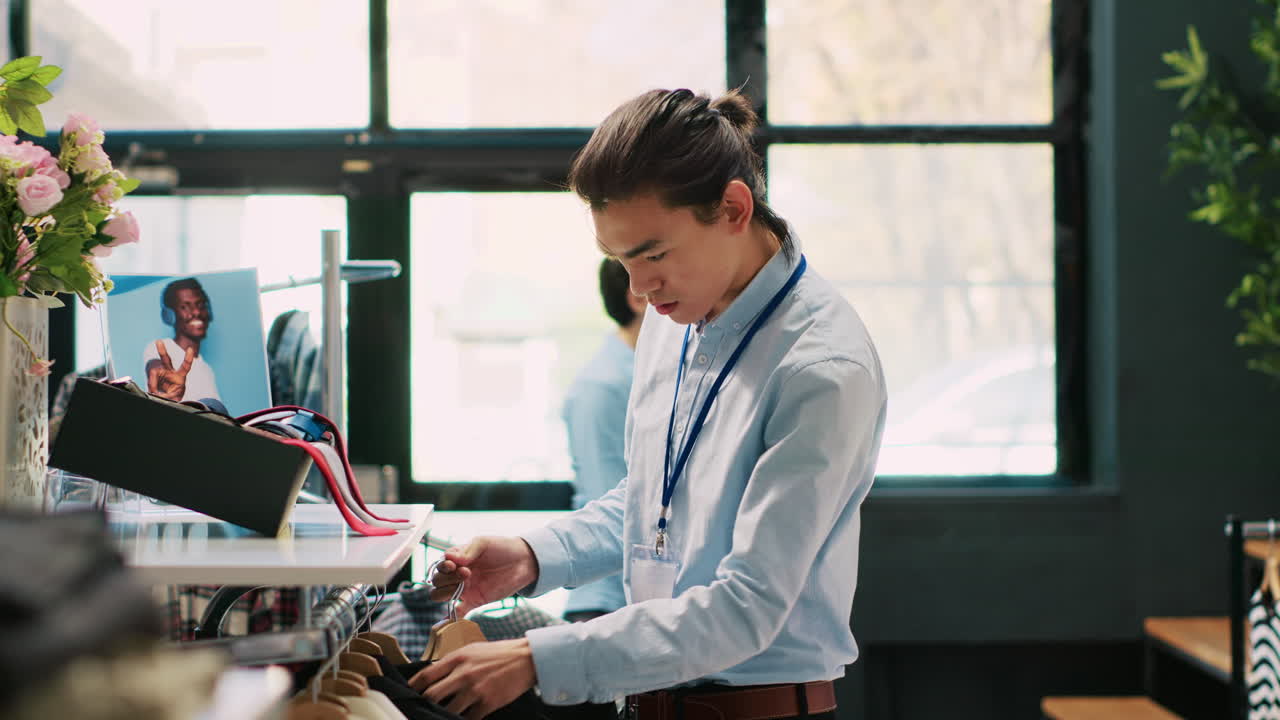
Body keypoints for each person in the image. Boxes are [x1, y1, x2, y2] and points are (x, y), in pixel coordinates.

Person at [410, 88, 887, 720]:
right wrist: (532, 556)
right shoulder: (672, 319)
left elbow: (747, 608)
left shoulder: (822, 368)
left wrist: (536, 659)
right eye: (620, 261)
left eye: (654, 254)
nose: (638, 289)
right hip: (644, 701)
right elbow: (657, 507)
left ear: (734, 209)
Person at [561, 258, 646, 623]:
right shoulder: (604, 387)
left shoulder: (645, 372)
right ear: (638, 298)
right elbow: (608, 499)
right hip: (607, 603)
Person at [143, 277, 222, 406]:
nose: (196, 312)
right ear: (169, 316)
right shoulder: (161, 347)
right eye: (185, 307)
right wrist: (165, 383)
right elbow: (157, 368)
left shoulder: (207, 370)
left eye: (201, 305)